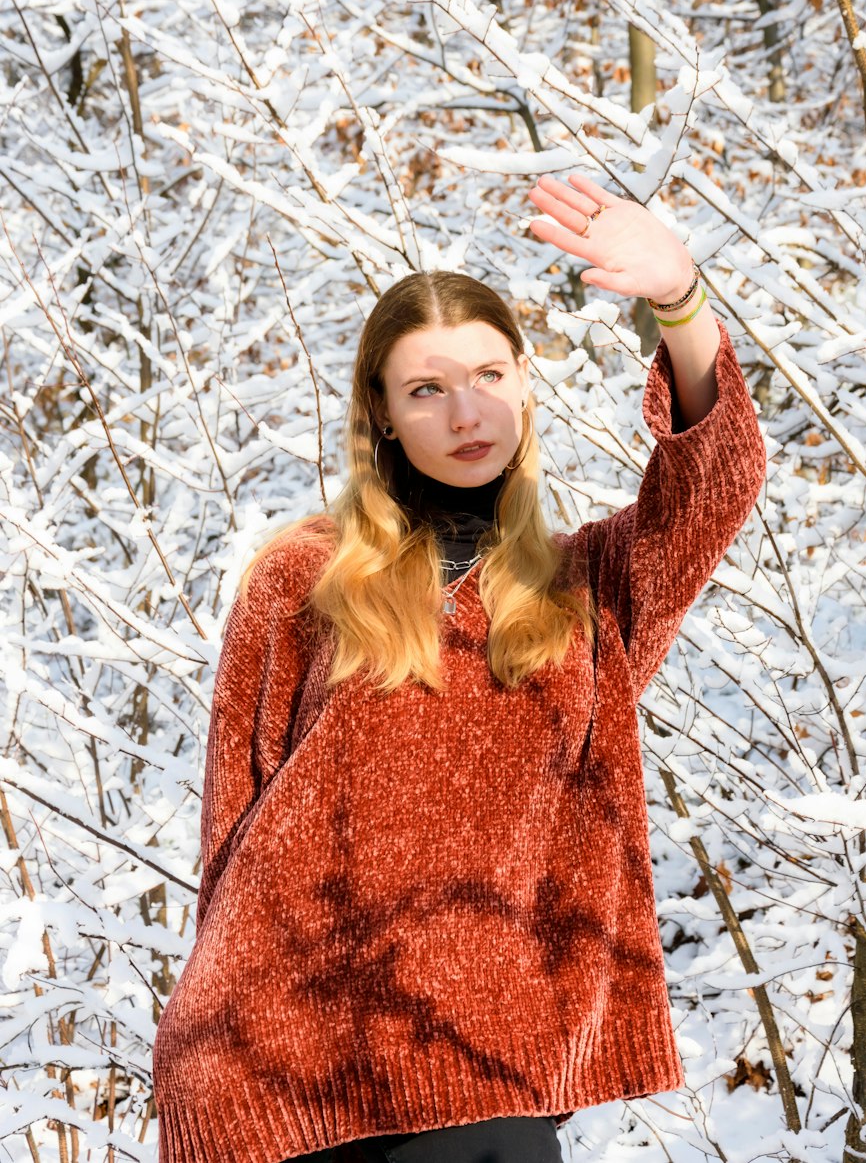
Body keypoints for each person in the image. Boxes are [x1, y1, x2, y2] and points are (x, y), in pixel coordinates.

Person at [151, 173, 768, 1163]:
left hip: (488, 1071)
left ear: (525, 382)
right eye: (427, 389)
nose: (465, 410)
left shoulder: (586, 590)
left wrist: (678, 298)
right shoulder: (303, 577)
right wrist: (216, 1052)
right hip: (298, 1067)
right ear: (385, 415)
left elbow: (717, 481)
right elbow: (234, 823)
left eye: (488, 375)